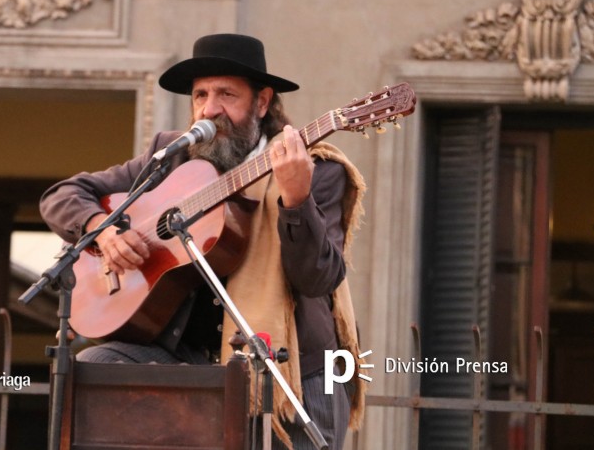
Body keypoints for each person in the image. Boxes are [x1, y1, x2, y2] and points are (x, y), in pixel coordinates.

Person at [39, 33, 366, 449]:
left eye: (227, 94)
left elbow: (318, 278)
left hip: (291, 367)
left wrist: (296, 201)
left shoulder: (316, 171)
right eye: (200, 95)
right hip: (186, 357)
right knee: (95, 367)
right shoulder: (170, 156)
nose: (210, 109)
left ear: (262, 102)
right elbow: (63, 195)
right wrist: (103, 229)